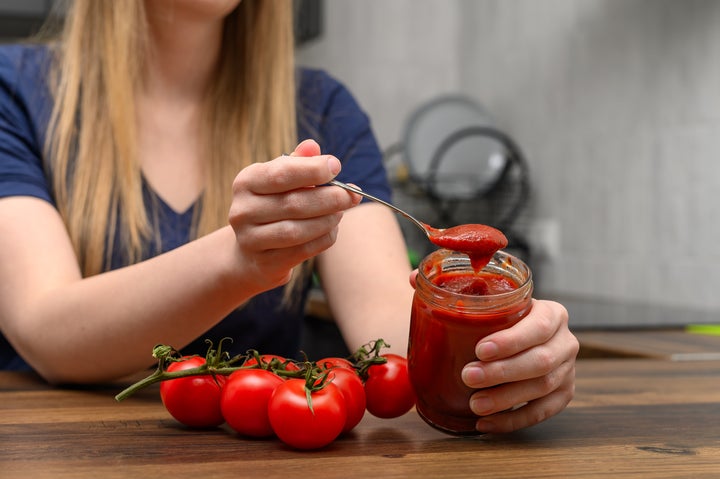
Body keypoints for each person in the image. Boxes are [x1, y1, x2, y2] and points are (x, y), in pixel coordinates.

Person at [0, 0, 578, 433]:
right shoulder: (14, 91)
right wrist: (238, 260)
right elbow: (47, 332)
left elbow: (394, 338)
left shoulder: (322, 109)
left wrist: (513, 354)